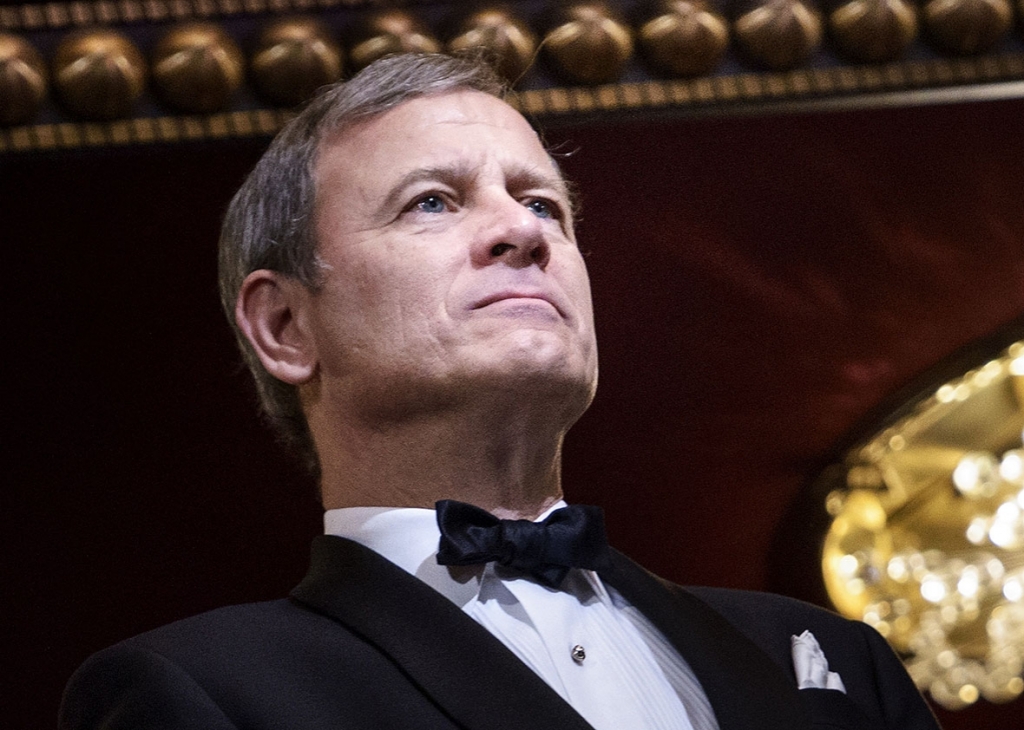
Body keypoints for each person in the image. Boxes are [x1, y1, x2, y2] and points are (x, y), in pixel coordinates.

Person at [59, 53, 940, 730]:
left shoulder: (832, 661)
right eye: (433, 202)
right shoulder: (200, 692)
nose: (521, 229)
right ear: (286, 327)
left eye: (544, 205)